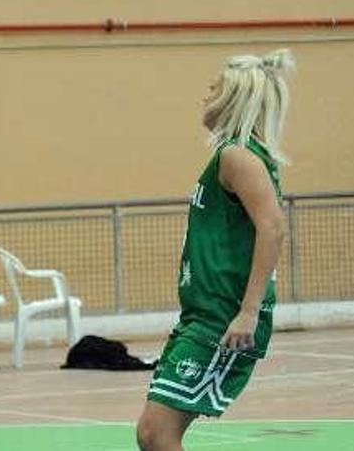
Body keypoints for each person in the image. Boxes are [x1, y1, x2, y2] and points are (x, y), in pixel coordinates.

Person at [135, 49, 293, 451]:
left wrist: (247, 312)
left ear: (233, 98)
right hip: (205, 314)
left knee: (157, 434)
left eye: (213, 90)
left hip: (223, 318)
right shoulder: (236, 156)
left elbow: (273, 228)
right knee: (153, 435)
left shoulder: (238, 156)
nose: (205, 98)